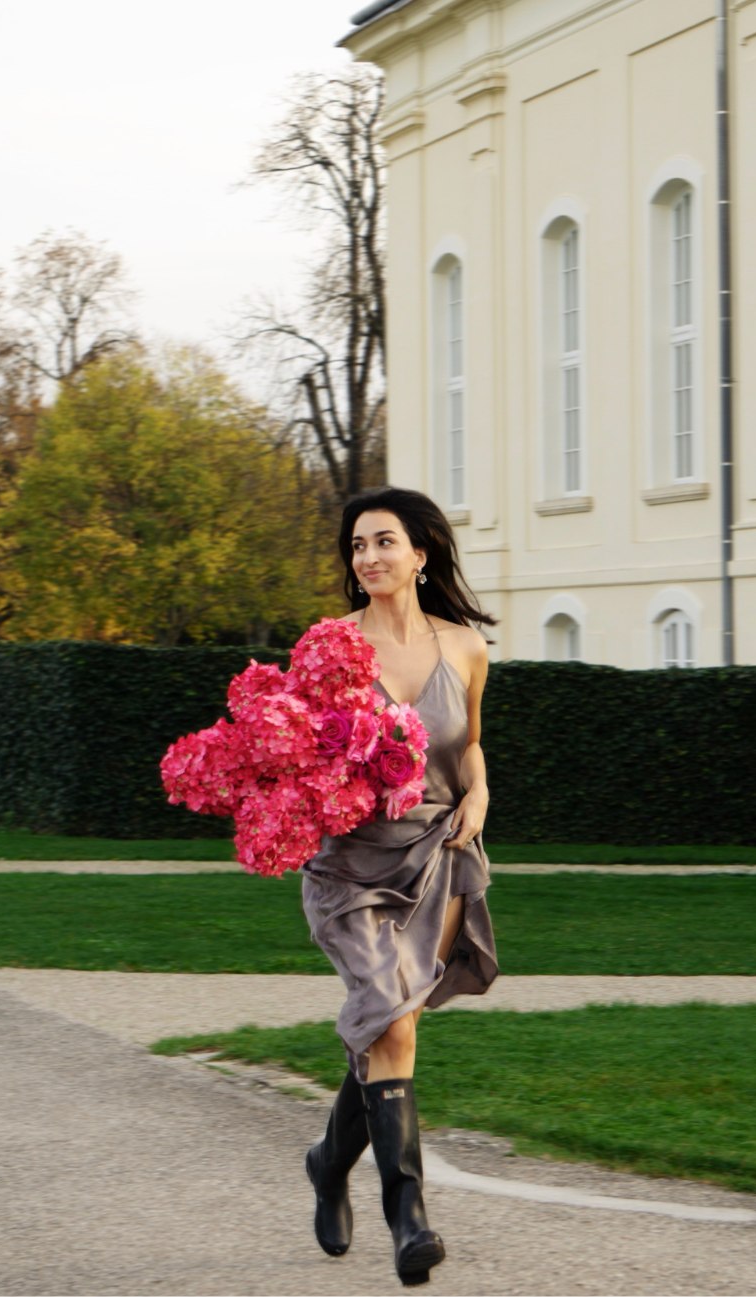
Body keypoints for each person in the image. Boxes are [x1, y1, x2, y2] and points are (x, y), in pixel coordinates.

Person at [300, 485, 499, 1287]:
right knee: (392, 1019)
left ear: (422, 553)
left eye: (384, 541)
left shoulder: (465, 647)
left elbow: (469, 745)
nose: (369, 557)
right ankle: (409, 1219)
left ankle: (327, 1159)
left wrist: (479, 795)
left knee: (393, 1025)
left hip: (440, 853)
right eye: (357, 545)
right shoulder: (328, 647)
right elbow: (297, 759)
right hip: (352, 863)